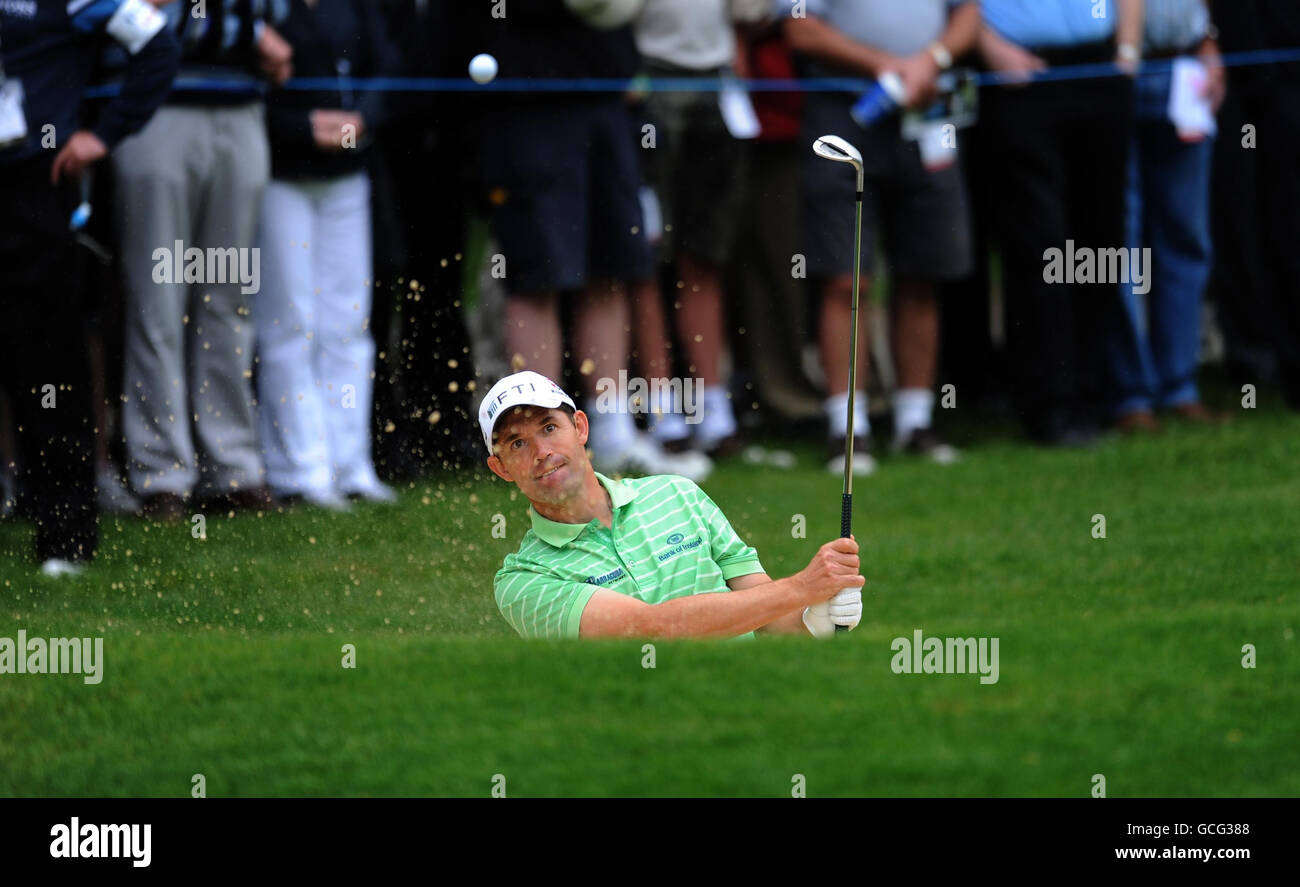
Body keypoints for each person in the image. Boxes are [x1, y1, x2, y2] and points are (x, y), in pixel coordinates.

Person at [480, 2, 706, 480]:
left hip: (605, 95)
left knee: (610, 272)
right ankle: (534, 444)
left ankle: (613, 434)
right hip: (530, 100)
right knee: (538, 277)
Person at [481, 371, 864, 639]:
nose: (542, 452)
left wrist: (815, 618)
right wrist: (800, 588)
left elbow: (766, 616)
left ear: (580, 428)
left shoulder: (678, 494)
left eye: (549, 428)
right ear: (500, 468)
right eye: (517, 443)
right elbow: (652, 630)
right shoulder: (524, 581)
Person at [0, 0, 179, 574]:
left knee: (48, 360)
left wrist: (103, 135)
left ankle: (64, 533)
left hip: (32, 183)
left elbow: (155, 44)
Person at [110, 0, 293, 521]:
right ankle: (161, 472)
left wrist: (254, 28)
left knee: (227, 297)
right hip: (156, 107)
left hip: (238, 110)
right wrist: (248, 32)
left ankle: (232, 465)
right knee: (159, 300)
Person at [784, 0, 979, 475]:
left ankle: (916, 421)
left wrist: (928, 61)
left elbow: (969, 13)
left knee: (922, 274)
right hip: (844, 109)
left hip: (928, 108)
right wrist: (889, 67)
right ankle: (847, 430)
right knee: (845, 278)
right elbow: (800, 28)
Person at [255, 0, 400, 509]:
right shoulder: (262, 10)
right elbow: (248, 88)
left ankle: (350, 464)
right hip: (281, 176)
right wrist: (301, 126)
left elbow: (388, 66)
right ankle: (300, 468)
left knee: (347, 320)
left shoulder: (355, 10)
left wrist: (362, 119)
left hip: (347, 176)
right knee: (290, 320)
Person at [977, 0, 1143, 445]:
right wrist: (987, 46)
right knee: (1041, 243)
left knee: (1101, 242)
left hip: (1100, 69)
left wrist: (1126, 50)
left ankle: (1089, 394)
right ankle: (1048, 404)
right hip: (1020, 73)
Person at [1105, 0, 1224, 433]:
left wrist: (1208, 43)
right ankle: (1130, 393)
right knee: (1121, 244)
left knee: (1186, 236)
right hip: (1111, 69)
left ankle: (1180, 386)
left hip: (1184, 69)